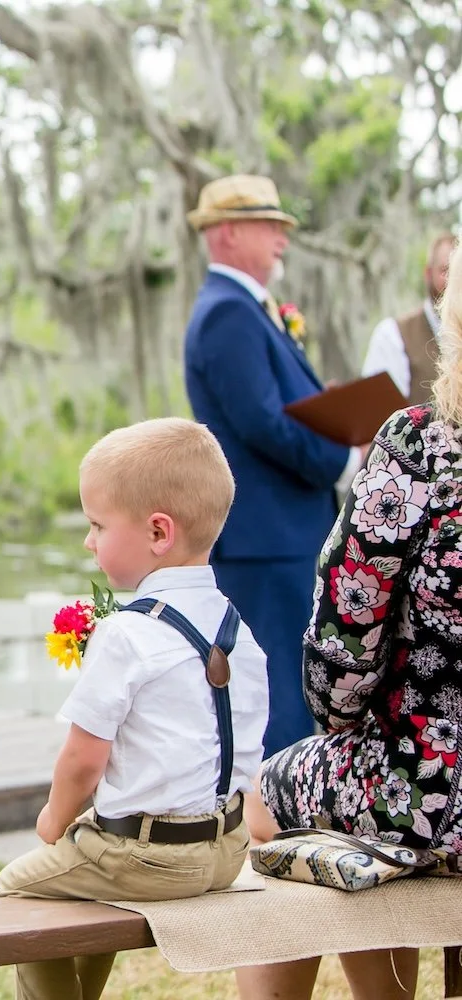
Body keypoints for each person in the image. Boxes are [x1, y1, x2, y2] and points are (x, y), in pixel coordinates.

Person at [237, 239, 462, 1000]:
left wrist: (350, 725)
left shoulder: (420, 448)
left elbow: (341, 652)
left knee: (271, 794)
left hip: (435, 785)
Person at [0, 417, 268, 1000]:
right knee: (88, 874)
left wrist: (53, 819)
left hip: (149, 857)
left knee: (20, 888)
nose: (89, 542)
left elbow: (82, 763)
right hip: (223, 851)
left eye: (97, 526)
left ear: (158, 532)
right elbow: (247, 753)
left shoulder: (126, 635)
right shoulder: (241, 634)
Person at [182, 174, 359, 757]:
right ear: (228, 233)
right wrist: (340, 455)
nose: (283, 240)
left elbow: (273, 410)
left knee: (295, 682)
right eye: (270, 228)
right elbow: (260, 423)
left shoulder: (251, 311)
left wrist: (327, 409)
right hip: (265, 538)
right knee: (280, 687)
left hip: (284, 532)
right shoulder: (226, 314)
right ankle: (276, 832)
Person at [360, 232, 456, 403]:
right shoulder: (393, 335)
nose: (453, 282)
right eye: (445, 270)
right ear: (428, 273)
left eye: (458, 274)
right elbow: (376, 412)